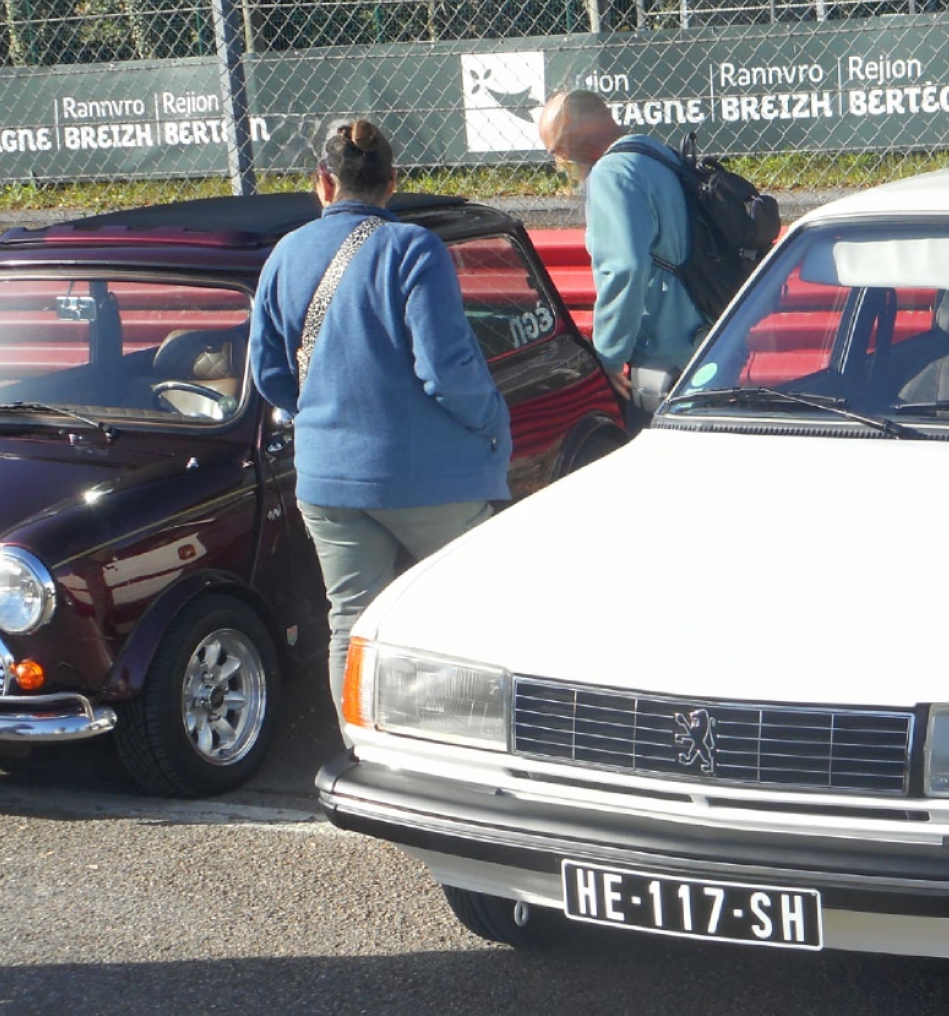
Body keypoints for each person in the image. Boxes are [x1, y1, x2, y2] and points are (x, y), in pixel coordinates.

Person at [248, 118, 511, 708]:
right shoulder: (415, 248)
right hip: (430, 476)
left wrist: (324, 415)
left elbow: (269, 375)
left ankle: (358, 749)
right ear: (393, 182)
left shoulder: (284, 255)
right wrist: (491, 422)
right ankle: (459, 750)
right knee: (465, 613)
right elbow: (446, 371)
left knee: (352, 621)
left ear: (322, 182)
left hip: (327, 478)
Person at [535, 89, 705, 421]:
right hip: (708, 340)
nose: (560, 162)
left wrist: (608, 361)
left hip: (665, 363)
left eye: (556, 150)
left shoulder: (611, 173)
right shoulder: (655, 153)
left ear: (574, 135)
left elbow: (624, 269)